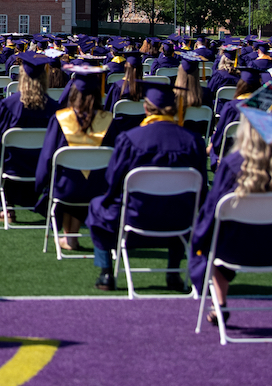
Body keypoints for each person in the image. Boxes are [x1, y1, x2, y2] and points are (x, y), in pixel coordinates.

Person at [188, 109, 272, 323]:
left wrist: (199, 242)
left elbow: (210, 215)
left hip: (232, 251)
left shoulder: (232, 165)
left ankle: (220, 302)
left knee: (210, 241)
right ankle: (220, 302)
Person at [86, 82, 207, 292]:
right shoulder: (193, 141)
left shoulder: (130, 139)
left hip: (135, 217)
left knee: (98, 205)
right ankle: (173, 273)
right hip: (181, 220)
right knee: (179, 202)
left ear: (146, 107)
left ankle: (106, 273)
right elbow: (202, 185)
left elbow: (113, 181)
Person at [34, 66, 119, 252]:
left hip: (65, 190)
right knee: (85, 178)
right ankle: (71, 237)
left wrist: (39, 184)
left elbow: (48, 157)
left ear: (73, 93)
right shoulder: (109, 120)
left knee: (70, 177)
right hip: (99, 191)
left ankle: (69, 237)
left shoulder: (60, 119)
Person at [0, 52, 57, 223]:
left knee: (3, 156)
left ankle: (8, 206)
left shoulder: (8, 105)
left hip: (13, 168)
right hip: (43, 170)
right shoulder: (54, 107)